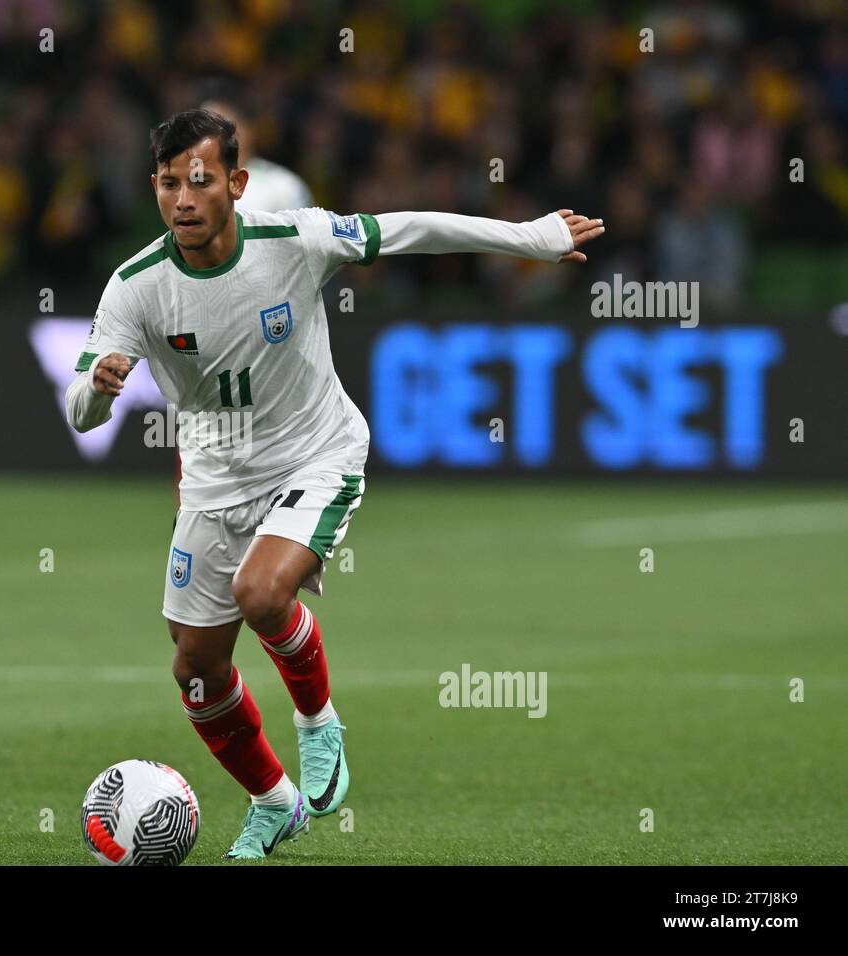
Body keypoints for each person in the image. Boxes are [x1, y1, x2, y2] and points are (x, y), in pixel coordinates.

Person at [64, 109, 603, 860]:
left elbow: (408, 227)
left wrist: (531, 240)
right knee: (195, 666)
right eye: (166, 183)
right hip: (214, 481)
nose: (182, 200)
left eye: (199, 181)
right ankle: (274, 801)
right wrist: (99, 386)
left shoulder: (294, 241)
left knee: (262, 594)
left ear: (236, 183)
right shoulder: (137, 285)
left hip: (316, 454)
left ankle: (319, 723)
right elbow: (81, 412)